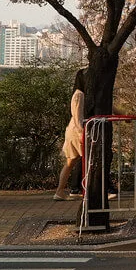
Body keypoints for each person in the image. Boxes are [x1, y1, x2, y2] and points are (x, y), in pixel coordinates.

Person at [54, 70, 86, 200]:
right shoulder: (79, 95)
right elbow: (77, 117)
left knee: (70, 162)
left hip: (75, 131)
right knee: (85, 161)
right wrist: (82, 133)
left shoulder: (81, 94)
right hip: (77, 132)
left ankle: (60, 191)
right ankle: (62, 190)